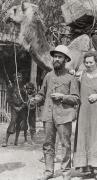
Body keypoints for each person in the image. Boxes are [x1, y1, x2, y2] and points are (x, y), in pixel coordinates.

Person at [30, 45, 80, 180]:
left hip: (64, 116)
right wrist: (36, 99)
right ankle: (48, 171)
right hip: (48, 116)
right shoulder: (48, 76)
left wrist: (62, 97)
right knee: (47, 144)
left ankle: (66, 172)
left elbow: (76, 98)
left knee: (65, 144)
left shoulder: (71, 78)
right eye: (55, 56)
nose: (57, 59)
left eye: (60, 57)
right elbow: (42, 94)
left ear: (65, 59)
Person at [2, 72, 27, 147]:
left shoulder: (23, 88)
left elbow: (26, 99)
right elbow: (9, 99)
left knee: (20, 123)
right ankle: (5, 141)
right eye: (17, 77)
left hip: (21, 108)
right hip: (14, 108)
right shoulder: (11, 87)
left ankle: (16, 140)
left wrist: (21, 106)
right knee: (13, 121)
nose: (18, 79)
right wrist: (15, 107)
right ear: (14, 79)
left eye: (20, 77)